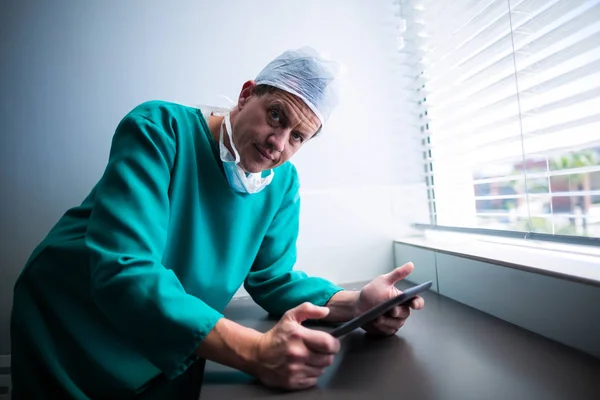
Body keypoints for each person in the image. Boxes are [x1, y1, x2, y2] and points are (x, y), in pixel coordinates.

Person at [10, 46, 425, 399]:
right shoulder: (160, 129)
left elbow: (274, 279)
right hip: (72, 315)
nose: (278, 144)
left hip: (173, 327)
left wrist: (357, 306)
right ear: (246, 96)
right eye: (277, 116)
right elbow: (125, 270)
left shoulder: (281, 183)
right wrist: (256, 351)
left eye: (298, 136)